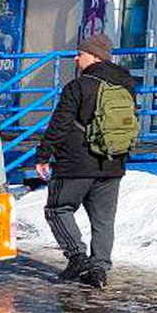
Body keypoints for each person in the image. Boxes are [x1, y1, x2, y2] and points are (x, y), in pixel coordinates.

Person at [36, 32, 134, 288]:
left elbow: (59, 124)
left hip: (75, 163)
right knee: (103, 220)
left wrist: (44, 154)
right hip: (112, 163)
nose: (76, 58)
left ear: (94, 56)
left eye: (80, 53)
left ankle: (77, 256)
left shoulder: (78, 86)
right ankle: (99, 270)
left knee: (58, 208)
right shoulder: (126, 84)